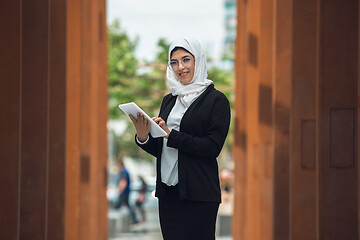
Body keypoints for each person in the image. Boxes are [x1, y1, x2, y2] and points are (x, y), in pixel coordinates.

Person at [129, 38, 231, 240]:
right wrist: (143, 136)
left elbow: (212, 147)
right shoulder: (169, 100)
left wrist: (171, 134)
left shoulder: (216, 100)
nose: (180, 67)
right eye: (174, 62)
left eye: (186, 60)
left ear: (198, 61)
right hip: (168, 194)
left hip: (199, 194)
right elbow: (163, 147)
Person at [114, 159, 138, 224]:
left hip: (124, 191)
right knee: (127, 205)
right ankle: (134, 219)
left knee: (118, 205)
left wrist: (120, 190)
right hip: (126, 191)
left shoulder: (123, 172)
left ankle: (115, 221)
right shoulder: (125, 171)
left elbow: (123, 182)